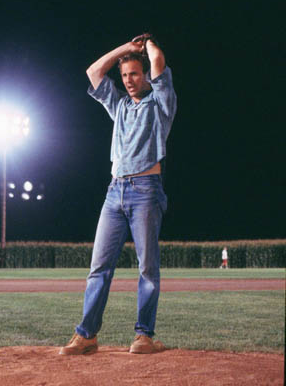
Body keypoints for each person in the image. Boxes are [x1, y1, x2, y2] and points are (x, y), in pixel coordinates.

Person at [59, 33, 177, 355]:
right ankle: (87, 335)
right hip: (115, 192)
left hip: (146, 192)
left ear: (146, 76)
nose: (128, 80)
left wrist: (149, 43)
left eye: (134, 74)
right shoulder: (119, 104)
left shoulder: (160, 103)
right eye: (125, 75)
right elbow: (94, 73)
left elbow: (158, 63)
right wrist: (126, 49)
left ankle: (144, 336)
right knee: (99, 267)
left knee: (147, 268)